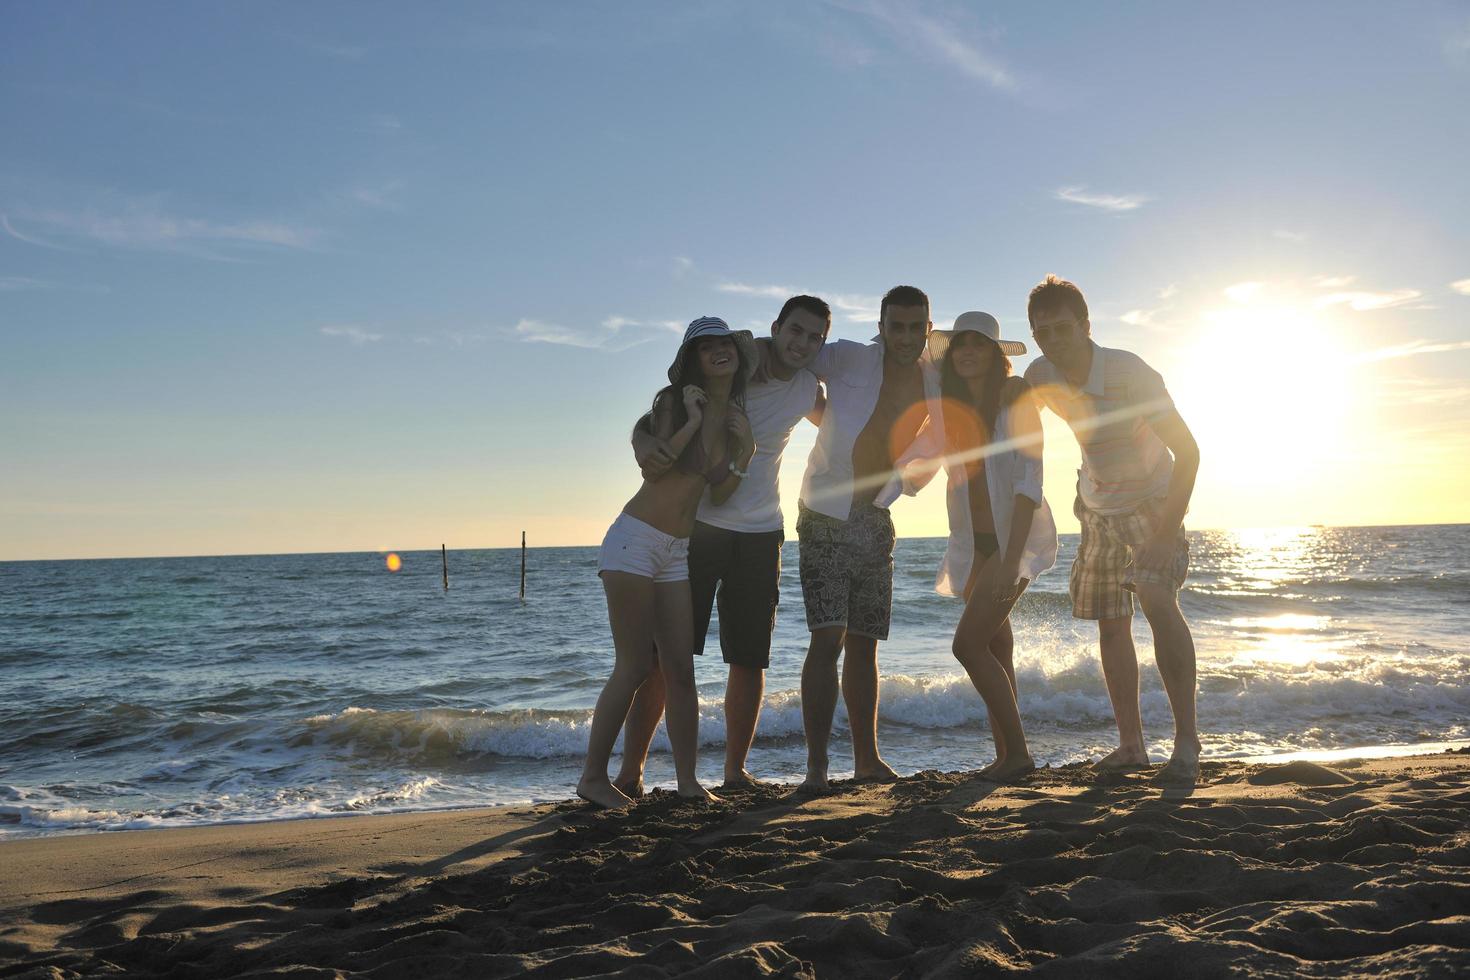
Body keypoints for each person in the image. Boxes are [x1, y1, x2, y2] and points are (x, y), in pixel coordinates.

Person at [614, 296, 830, 793]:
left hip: (762, 534)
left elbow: (850, 417)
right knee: (663, 660)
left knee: (749, 658)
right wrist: (641, 439)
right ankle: (631, 773)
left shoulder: (806, 389)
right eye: (794, 331)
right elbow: (660, 410)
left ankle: (735, 773)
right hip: (697, 531)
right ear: (775, 328)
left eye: (813, 337)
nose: (801, 343)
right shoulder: (734, 366)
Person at [1022, 275, 1203, 783]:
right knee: (1109, 619)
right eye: (1043, 333)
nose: (1054, 342)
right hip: (1096, 506)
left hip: (1153, 501)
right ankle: (1131, 746)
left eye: (1062, 329)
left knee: (1157, 600)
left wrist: (1168, 532)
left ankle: (1187, 742)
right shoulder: (1041, 372)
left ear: (1085, 325)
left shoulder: (1130, 373)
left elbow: (1188, 452)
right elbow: (1001, 400)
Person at [576, 316, 757, 809]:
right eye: (707, 347)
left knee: (680, 670)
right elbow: (656, 468)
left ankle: (688, 783)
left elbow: (719, 492)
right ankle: (592, 777)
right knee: (634, 666)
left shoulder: (734, 414)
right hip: (635, 540)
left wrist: (747, 448)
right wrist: (694, 423)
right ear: (692, 360)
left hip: (677, 549)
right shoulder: (673, 402)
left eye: (726, 344)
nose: (720, 351)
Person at [895, 312, 1058, 781]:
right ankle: (1005, 755)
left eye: (978, 345)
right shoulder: (953, 408)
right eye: (960, 344)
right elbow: (924, 358)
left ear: (994, 354)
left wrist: (1011, 561)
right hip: (973, 545)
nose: (967, 352)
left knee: (967, 646)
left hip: (1013, 545)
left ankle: (1019, 755)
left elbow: (1030, 483)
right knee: (996, 648)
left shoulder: (1016, 401)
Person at [796, 284, 936, 792]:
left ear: (927, 327)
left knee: (865, 644)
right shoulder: (850, 358)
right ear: (880, 326)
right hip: (825, 514)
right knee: (827, 636)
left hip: (876, 514)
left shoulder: (933, 379)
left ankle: (867, 761)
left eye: (913, 327)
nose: (903, 337)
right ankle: (815, 769)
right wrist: (821, 415)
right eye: (894, 326)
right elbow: (796, 355)